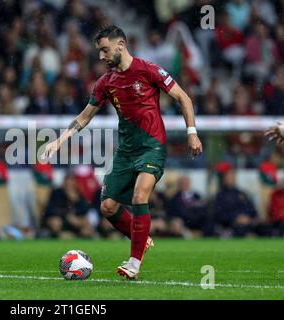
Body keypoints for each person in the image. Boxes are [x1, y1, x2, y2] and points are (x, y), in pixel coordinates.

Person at [41, 25, 203, 280]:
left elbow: (184, 98)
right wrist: (59, 140)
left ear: (120, 45)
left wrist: (191, 132)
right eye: (99, 52)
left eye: (105, 50)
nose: (102, 57)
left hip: (152, 146)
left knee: (140, 196)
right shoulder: (106, 82)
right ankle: (141, 238)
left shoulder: (149, 70)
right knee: (107, 206)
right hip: (126, 151)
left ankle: (134, 263)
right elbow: (85, 116)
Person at [42, 173, 93, 239]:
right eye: (67, 183)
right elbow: (50, 209)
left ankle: (79, 236)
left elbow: (85, 209)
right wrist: (67, 215)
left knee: (86, 222)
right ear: (64, 183)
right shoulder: (57, 193)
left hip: (75, 219)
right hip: (61, 218)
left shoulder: (78, 194)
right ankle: (58, 236)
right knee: (56, 222)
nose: (69, 186)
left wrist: (76, 201)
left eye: (71, 183)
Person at [213, 170, 258, 237]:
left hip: (247, 222)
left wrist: (246, 217)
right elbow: (219, 214)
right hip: (231, 224)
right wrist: (236, 218)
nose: (231, 179)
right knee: (240, 230)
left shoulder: (242, 194)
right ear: (224, 179)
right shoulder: (220, 195)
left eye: (232, 177)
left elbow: (252, 210)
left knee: (265, 228)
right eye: (228, 178)